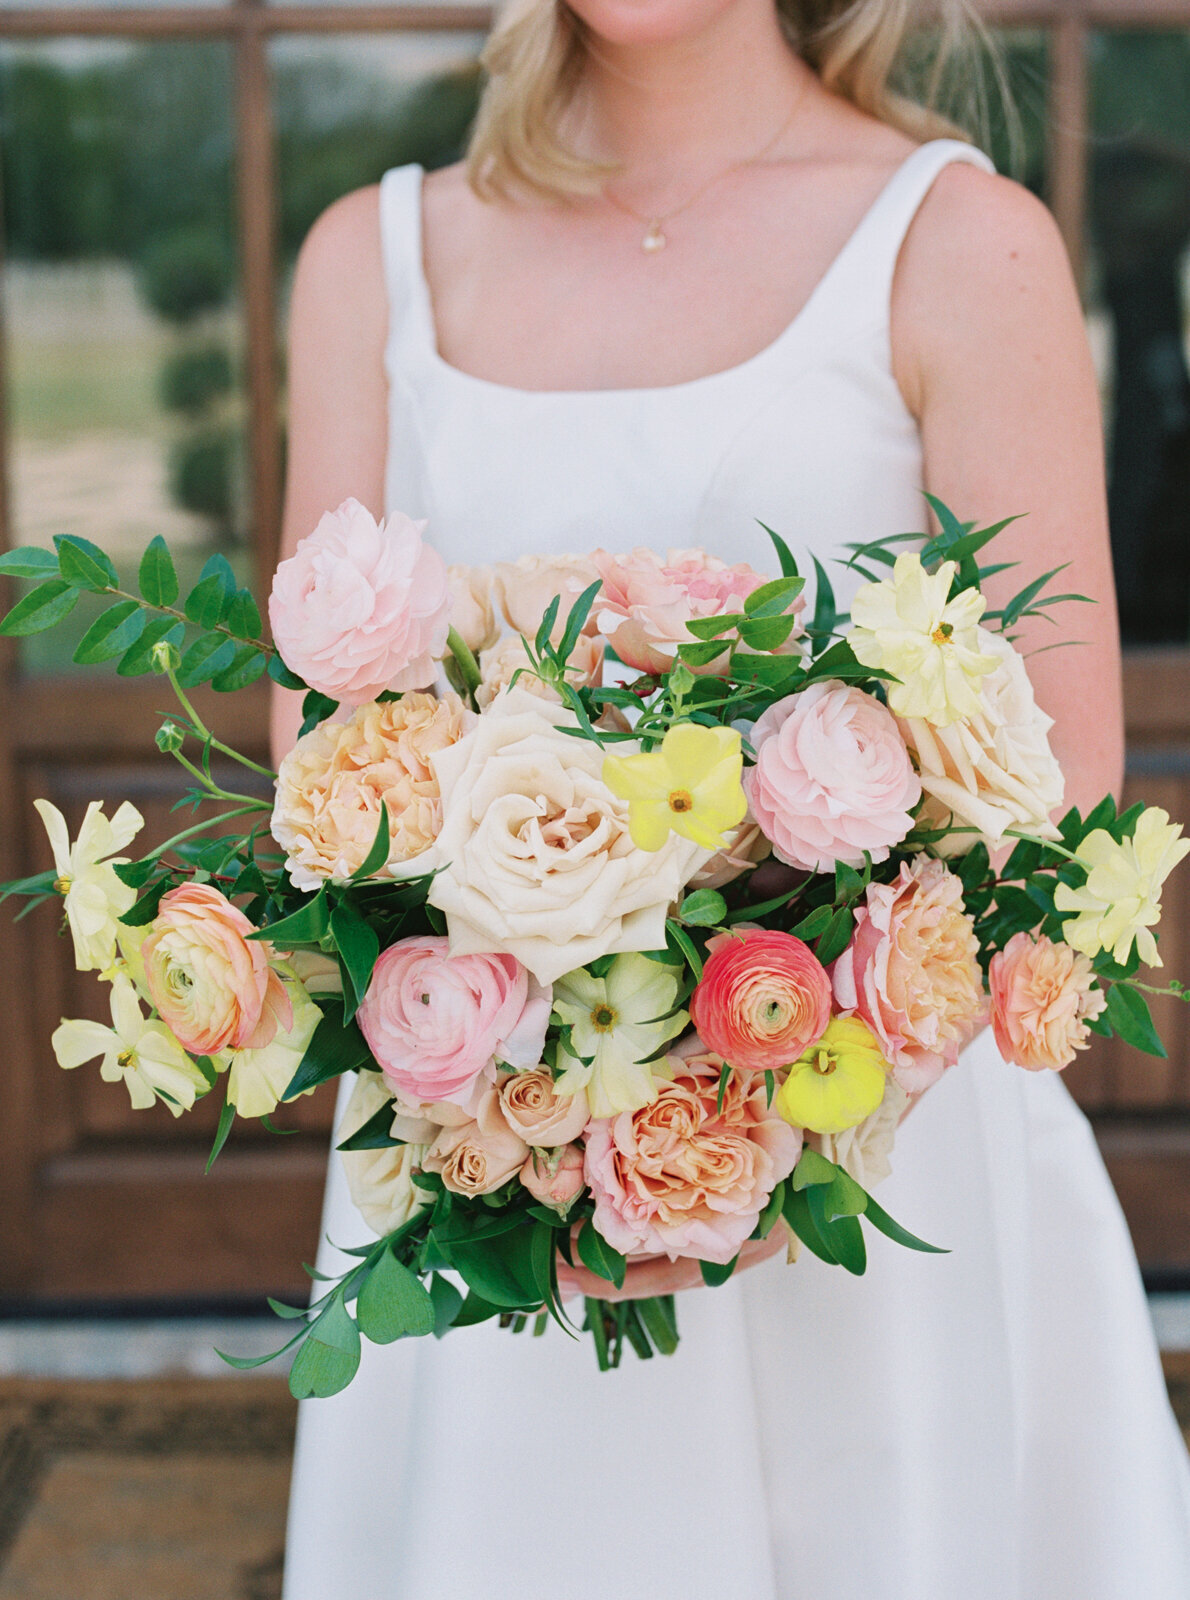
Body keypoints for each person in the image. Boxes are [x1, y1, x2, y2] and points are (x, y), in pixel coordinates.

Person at [274, 0, 1190, 1592]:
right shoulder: (372, 260)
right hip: (496, 1179)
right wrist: (535, 1112)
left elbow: (1062, 781)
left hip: (862, 1169)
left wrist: (757, 1130)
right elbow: (324, 763)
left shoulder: (959, 245)